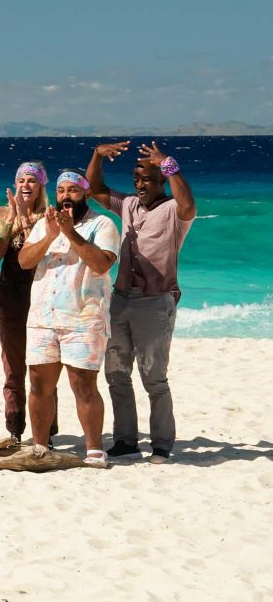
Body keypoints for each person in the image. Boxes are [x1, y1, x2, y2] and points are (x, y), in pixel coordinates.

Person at [88, 141, 197, 463]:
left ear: (161, 180)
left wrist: (169, 163)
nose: (140, 185)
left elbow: (189, 204)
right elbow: (95, 189)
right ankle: (125, 441)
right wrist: (97, 155)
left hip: (154, 302)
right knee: (117, 374)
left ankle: (162, 444)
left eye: (147, 179)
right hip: (120, 300)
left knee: (154, 377)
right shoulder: (130, 205)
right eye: (136, 179)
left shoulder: (174, 211)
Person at [17, 169, 120, 466]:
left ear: (86, 194)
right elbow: (25, 261)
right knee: (38, 385)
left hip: (84, 319)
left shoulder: (102, 224)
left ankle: (93, 451)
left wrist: (70, 232)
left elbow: (101, 264)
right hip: (42, 318)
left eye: (73, 190)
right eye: (61, 191)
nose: (66, 196)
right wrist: (50, 234)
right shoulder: (44, 225)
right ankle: (40, 447)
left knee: (84, 385)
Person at [0, 160, 51, 441]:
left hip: (42, 300)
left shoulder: (49, 216)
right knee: (13, 369)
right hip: (10, 300)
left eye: (32, 181)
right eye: (22, 180)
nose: (26, 186)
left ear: (41, 186)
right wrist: (13, 216)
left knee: (44, 369)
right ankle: (15, 430)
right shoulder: (2, 212)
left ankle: (47, 431)